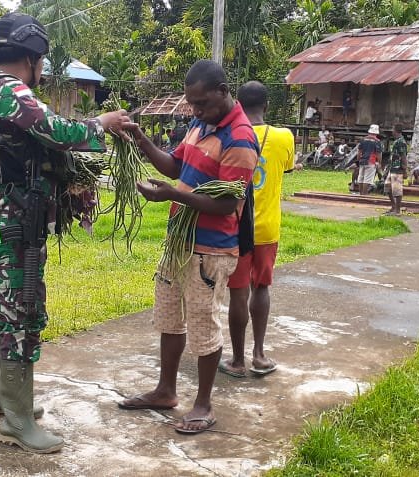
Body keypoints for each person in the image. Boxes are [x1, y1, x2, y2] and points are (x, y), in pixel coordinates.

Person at [0, 12, 129, 453]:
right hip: (8, 220)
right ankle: (15, 421)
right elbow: (53, 129)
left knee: (5, 305)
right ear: (32, 58)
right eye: (41, 63)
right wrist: (100, 125)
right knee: (22, 310)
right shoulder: (8, 89)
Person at [118, 59, 258, 435]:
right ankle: (165, 391)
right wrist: (142, 141)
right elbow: (176, 167)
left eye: (201, 104)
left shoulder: (240, 136)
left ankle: (204, 403)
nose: (195, 111)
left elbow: (229, 204)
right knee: (169, 317)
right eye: (192, 104)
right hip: (179, 242)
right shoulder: (201, 123)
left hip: (210, 249)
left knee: (202, 323)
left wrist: (172, 197)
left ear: (223, 91)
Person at [219, 81, 299, 380]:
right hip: (267, 227)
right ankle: (259, 355)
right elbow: (288, 168)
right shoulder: (284, 136)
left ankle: (238, 360)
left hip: (237, 226)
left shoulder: (232, 134)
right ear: (266, 106)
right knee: (261, 287)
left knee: (238, 293)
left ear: (237, 104)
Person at [350, 124, 381, 195]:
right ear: (376, 132)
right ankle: (364, 194)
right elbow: (378, 154)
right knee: (367, 180)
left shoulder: (363, 139)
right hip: (371, 161)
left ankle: (361, 193)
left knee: (361, 178)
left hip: (362, 161)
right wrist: (379, 162)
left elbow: (359, 152)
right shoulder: (377, 141)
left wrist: (358, 161)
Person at [385, 124, 408, 215]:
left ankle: (397, 210)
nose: (391, 131)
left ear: (396, 130)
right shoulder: (396, 141)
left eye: (392, 129)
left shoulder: (401, 142)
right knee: (388, 187)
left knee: (397, 189)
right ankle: (393, 206)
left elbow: (403, 156)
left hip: (398, 168)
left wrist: (404, 169)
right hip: (392, 167)